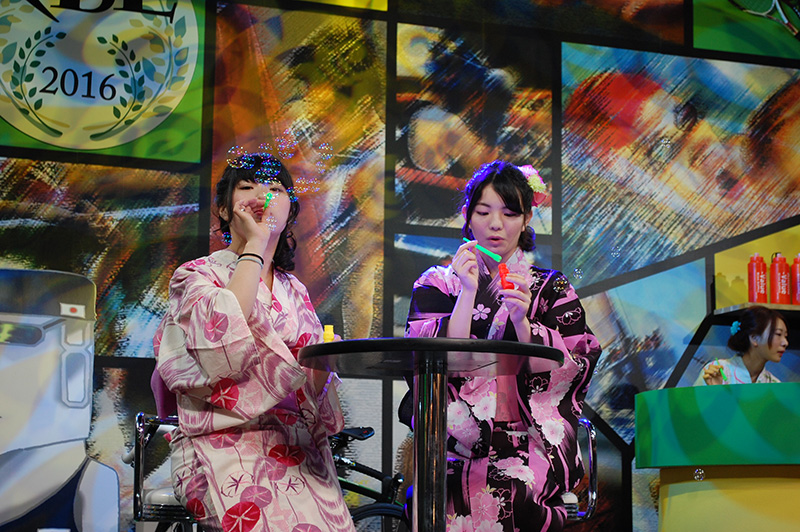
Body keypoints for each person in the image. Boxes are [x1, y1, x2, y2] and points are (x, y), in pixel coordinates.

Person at [153, 154, 355, 532]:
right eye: (247, 186)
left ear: (290, 211)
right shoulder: (195, 276)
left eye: (275, 188)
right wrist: (255, 245)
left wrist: (323, 366)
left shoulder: (295, 290)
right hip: (218, 441)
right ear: (224, 209)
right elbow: (222, 350)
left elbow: (310, 391)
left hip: (294, 443)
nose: (262, 195)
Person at [404, 160, 602, 532]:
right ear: (467, 215)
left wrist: (523, 324)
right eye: (484, 212)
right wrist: (467, 293)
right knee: (432, 499)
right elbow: (429, 358)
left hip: (528, 440)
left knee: (517, 493)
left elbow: (578, 360)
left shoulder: (551, 288)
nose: (496, 224)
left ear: (526, 219)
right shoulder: (436, 284)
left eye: (510, 214)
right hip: (452, 440)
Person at [696, 305, 787, 386]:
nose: (785, 343)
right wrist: (715, 389)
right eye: (778, 334)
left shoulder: (775, 384)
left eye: (785, 336)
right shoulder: (716, 371)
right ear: (754, 338)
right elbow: (695, 399)